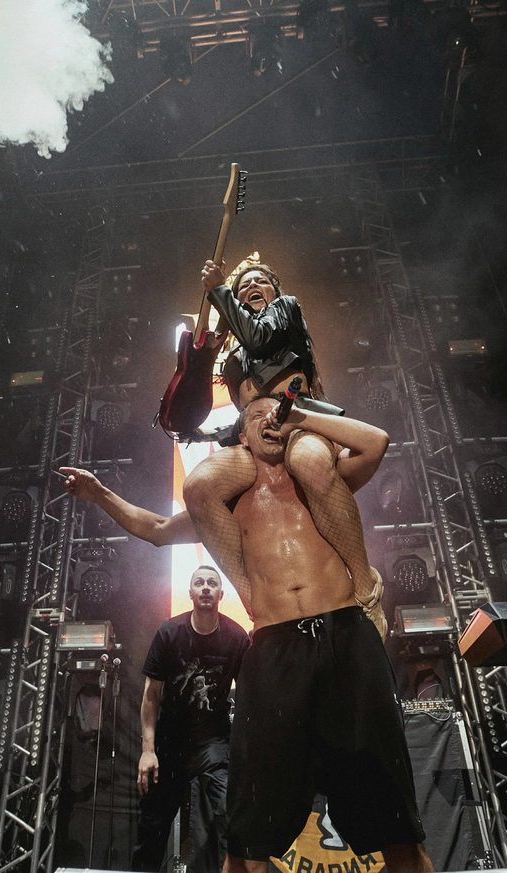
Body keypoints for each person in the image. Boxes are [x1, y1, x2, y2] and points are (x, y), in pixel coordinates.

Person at [62, 401, 434, 872]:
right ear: (241, 438)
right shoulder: (228, 507)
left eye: (278, 412)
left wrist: (301, 417)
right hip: (276, 646)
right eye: (257, 415)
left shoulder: (321, 482)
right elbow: (154, 529)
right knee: (247, 841)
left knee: (398, 829)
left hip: (344, 632)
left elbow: (375, 442)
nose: (270, 418)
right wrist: (98, 494)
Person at [189, 260, 386, 636]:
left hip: (297, 420)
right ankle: (254, 602)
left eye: (261, 281)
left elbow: (259, 339)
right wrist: (204, 432)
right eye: (244, 285)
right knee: (198, 486)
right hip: (257, 436)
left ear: (275, 290)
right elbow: (246, 411)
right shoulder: (236, 354)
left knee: (310, 462)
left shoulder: (284, 310)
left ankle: (366, 588)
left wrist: (220, 291)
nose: (252, 286)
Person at [131, 564, 249, 873]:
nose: (206, 587)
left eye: (212, 583)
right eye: (199, 583)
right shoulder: (169, 633)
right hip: (170, 740)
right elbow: (151, 695)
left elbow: (250, 695)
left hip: (213, 740)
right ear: (191, 593)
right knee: (152, 825)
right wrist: (147, 750)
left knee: (228, 814)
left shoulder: (236, 637)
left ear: (221, 594)